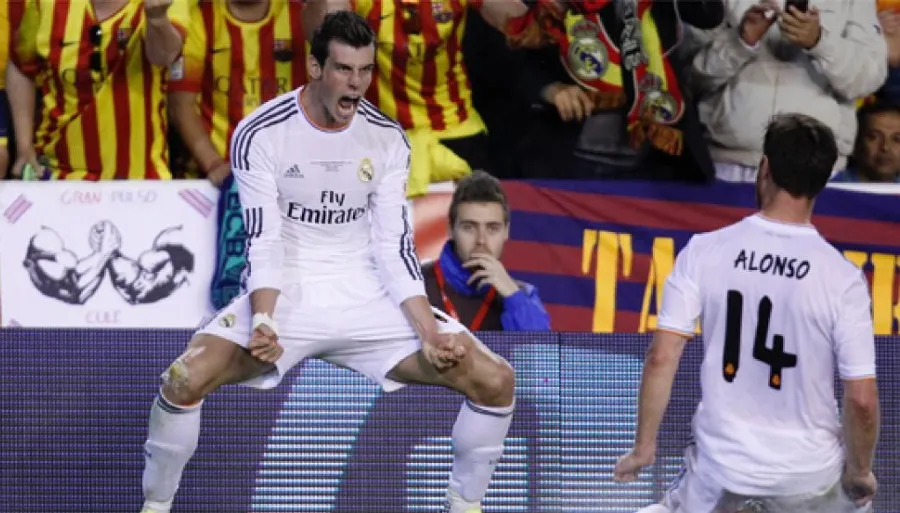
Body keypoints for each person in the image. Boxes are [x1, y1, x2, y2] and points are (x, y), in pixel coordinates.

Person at [138, 11, 515, 513]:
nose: (356, 84)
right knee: (183, 379)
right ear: (315, 68)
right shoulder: (260, 132)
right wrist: (266, 319)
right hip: (287, 293)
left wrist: (427, 329)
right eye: (343, 70)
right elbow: (264, 240)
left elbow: (393, 246)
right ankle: (156, 506)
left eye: (364, 71)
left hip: (366, 297)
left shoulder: (386, 138)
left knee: (496, 380)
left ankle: (465, 506)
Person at [615, 114, 880, 512]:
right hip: (809, 478)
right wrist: (860, 471)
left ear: (765, 168)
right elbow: (861, 399)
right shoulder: (842, 278)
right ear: (822, 183)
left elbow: (662, 357)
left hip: (721, 474)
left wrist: (643, 447)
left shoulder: (704, 251)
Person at [422, 170, 551, 331]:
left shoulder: (521, 295)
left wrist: (513, 297)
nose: (481, 240)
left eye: (492, 228)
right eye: (469, 227)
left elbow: (538, 353)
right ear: (450, 229)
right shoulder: (415, 285)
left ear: (506, 232)